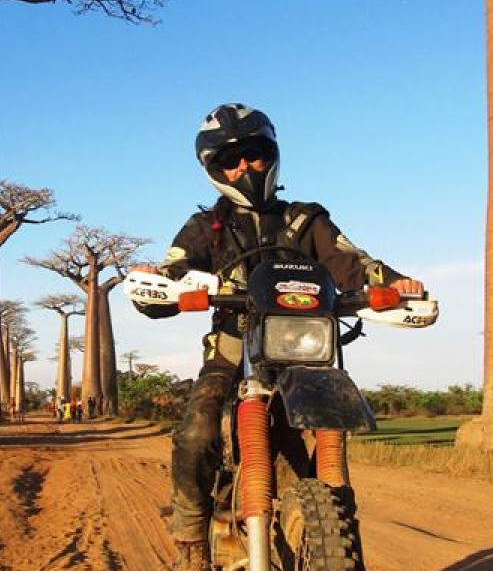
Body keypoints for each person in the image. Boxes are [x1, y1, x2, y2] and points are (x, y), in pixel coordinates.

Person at [132, 103, 425, 571]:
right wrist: (157, 280)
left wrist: (394, 282)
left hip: (307, 351)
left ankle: (338, 533)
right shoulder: (206, 227)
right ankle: (189, 539)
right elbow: (175, 269)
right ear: (213, 169)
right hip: (233, 347)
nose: (244, 167)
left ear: (272, 155)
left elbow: (354, 262)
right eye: (231, 160)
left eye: (254, 154)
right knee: (198, 427)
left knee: (336, 418)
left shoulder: (307, 220)